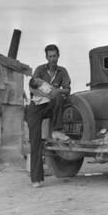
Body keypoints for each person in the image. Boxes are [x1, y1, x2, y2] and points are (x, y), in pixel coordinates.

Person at [26, 44, 71, 188]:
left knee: (58, 96)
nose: (52, 59)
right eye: (50, 56)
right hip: (36, 108)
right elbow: (32, 88)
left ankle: (57, 130)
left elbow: (68, 90)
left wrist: (55, 92)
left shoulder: (62, 71)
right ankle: (36, 179)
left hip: (51, 107)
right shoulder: (39, 70)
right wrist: (47, 94)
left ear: (58, 56)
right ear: (46, 57)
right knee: (35, 142)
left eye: (54, 56)